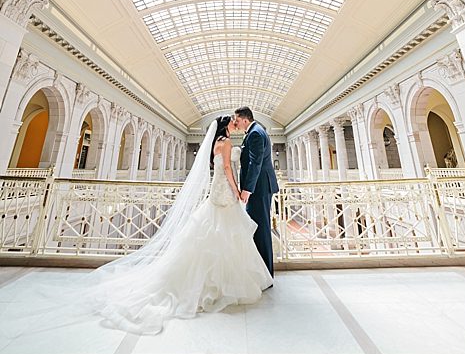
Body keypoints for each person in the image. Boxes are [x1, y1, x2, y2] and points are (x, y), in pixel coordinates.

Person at [4, 115, 273, 335]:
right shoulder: (228, 144)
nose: (237, 124)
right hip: (225, 190)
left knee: (210, 235)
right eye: (235, 122)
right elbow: (227, 169)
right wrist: (239, 190)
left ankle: (211, 280)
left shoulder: (218, 143)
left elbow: (226, 166)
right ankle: (223, 281)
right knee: (224, 234)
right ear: (229, 124)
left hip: (217, 193)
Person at [232, 106, 279, 279]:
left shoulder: (255, 134)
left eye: (237, 120)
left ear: (245, 119)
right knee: (258, 228)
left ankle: (265, 273)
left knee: (261, 229)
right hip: (259, 188)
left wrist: (247, 189)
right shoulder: (255, 131)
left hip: (258, 189)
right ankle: (261, 271)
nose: (236, 123)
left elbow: (255, 163)